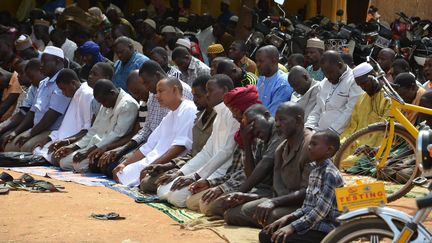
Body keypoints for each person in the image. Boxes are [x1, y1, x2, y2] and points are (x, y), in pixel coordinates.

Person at [223, 102, 314, 228]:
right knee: (231, 214)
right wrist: (248, 197)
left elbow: (310, 192)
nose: (277, 124)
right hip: (282, 200)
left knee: (270, 216)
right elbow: (276, 190)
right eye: (276, 120)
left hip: (304, 205)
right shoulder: (282, 148)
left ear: (298, 121)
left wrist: (273, 202)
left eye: (282, 120)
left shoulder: (311, 146)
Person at [99, 60, 193, 178]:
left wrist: (151, 164)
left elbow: (179, 144)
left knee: (117, 169)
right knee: (112, 167)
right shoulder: (153, 96)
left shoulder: (183, 93)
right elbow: (147, 130)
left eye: (147, 83)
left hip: (168, 153)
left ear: (157, 75)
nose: (146, 87)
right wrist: (122, 150)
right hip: (152, 147)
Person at [156, 74, 238, 208]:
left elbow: (226, 152)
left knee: (177, 197)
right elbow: (206, 152)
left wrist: (196, 176)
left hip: (222, 173)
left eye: (210, 91)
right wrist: (180, 172)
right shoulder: (218, 116)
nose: (207, 95)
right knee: (163, 189)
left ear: (224, 90)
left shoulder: (233, 115)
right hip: (206, 170)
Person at [191, 104, 282, 217]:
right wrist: (246, 142)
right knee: (213, 205)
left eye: (253, 122)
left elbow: (263, 167)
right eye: (246, 125)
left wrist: (237, 193)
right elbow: (250, 174)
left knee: (223, 210)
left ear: (267, 115)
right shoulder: (259, 138)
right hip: (257, 188)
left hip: (274, 192)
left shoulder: (278, 133)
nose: (251, 129)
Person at [185, 85, 262, 213]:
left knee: (206, 205)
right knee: (191, 201)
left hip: (254, 188)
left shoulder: (260, 134)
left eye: (236, 112)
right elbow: (235, 171)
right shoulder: (241, 133)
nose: (233, 117)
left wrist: (222, 188)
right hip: (232, 181)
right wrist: (210, 183)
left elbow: (251, 175)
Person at [259, 130, 344, 243]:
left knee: (277, 239)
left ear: (329, 150)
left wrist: (292, 227)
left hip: (326, 230)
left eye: (314, 144)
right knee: (265, 234)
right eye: (310, 143)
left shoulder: (330, 174)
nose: (309, 147)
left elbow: (320, 211)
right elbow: (307, 206)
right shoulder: (314, 171)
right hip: (313, 225)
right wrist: (289, 217)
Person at [114, 77, 197, 187]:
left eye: (160, 91)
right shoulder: (169, 115)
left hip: (170, 164)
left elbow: (180, 146)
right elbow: (149, 146)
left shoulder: (189, 109)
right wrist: (125, 163)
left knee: (146, 183)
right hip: (152, 162)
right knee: (120, 172)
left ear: (175, 90)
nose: (157, 96)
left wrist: (154, 166)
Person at [140, 75, 217, 193]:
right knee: (148, 183)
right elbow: (193, 154)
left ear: (209, 95)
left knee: (170, 191)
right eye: (193, 95)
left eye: (198, 96)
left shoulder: (219, 118)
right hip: (190, 165)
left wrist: (185, 174)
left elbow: (212, 157)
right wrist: (169, 167)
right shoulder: (198, 116)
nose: (194, 99)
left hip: (209, 170)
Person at [55, 79, 139, 172]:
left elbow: (117, 134)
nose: (103, 105)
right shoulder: (106, 102)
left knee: (79, 166)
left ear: (112, 93)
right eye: (101, 102)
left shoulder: (128, 104)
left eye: (104, 101)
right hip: (93, 146)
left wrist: (89, 151)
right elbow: (94, 130)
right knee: (63, 163)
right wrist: (75, 147)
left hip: (110, 147)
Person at [4, 47, 71, 153]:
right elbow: (32, 111)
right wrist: (16, 132)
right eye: (41, 62)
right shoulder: (43, 83)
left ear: (58, 61)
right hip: (37, 129)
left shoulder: (62, 82)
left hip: (52, 130)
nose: (41, 65)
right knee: (10, 145)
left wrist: (30, 133)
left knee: (26, 147)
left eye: (45, 62)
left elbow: (52, 115)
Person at [33, 69, 94, 165]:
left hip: (79, 141)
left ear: (73, 83)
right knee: (38, 150)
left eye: (64, 89)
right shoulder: (76, 94)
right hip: (66, 140)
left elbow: (87, 130)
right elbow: (65, 126)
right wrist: (48, 139)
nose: (63, 93)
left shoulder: (87, 94)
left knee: (59, 159)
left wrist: (66, 142)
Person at [305, 50, 363, 134]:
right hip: (318, 131)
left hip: (338, 135)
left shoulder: (354, 80)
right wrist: (308, 127)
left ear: (339, 65)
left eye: (330, 73)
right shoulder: (325, 82)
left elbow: (350, 112)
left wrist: (330, 132)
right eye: (325, 74)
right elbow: (317, 109)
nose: (328, 77)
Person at [340, 62, 391, 142]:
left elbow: (384, 130)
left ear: (374, 76)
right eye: (359, 85)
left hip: (372, 146)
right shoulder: (362, 98)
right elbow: (353, 127)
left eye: (364, 83)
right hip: (353, 142)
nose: (363, 88)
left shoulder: (388, 99)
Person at [0, 59, 45, 147]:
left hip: (35, 126)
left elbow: (28, 116)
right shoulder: (30, 89)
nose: (18, 76)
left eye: (21, 73)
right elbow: (21, 113)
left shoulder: (46, 87)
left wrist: (11, 130)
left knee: (6, 139)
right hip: (23, 123)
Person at [255, 45, 293, 115]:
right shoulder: (261, 79)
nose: (257, 65)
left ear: (274, 61)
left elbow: (272, 115)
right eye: (256, 61)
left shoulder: (283, 83)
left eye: (261, 61)